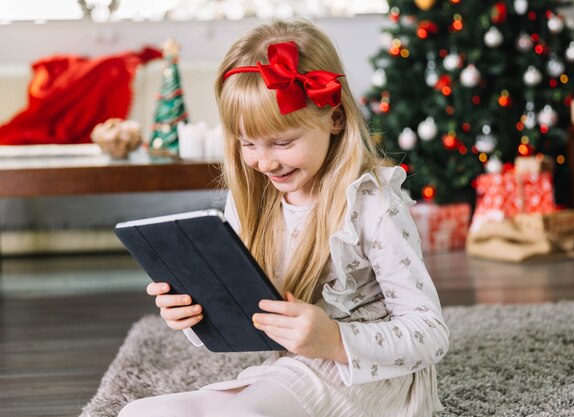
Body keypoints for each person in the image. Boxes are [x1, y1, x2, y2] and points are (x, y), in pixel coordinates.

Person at [119, 18, 449, 417]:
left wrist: (333, 339)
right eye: (248, 144)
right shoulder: (251, 202)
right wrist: (193, 314)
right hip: (296, 367)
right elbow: (245, 321)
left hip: (370, 378)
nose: (265, 161)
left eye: (283, 142)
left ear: (335, 118)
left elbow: (430, 335)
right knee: (138, 412)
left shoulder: (372, 203)